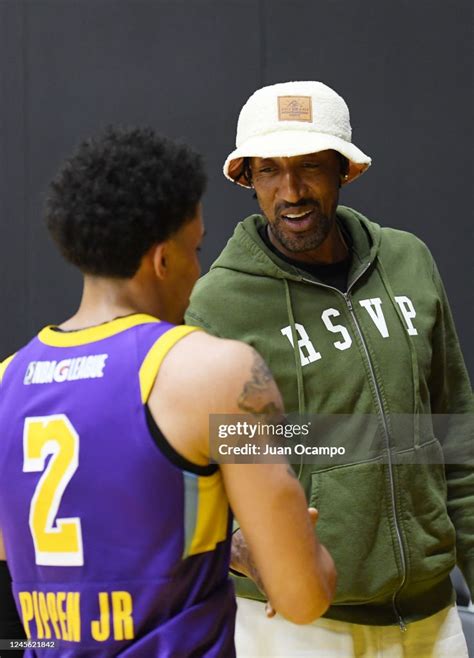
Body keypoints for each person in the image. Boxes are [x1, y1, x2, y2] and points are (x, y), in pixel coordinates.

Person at [0, 126, 337, 657]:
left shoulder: (8, 380)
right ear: (163, 260)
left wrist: (230, 546)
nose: (199, 268)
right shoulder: (214, 371)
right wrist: (293, 549)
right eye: (195, 248)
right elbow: (303, 597)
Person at [185, 81, 473, 657]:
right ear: (247, 179)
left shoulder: (408, 260)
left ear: (345, 170)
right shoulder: (217, 304)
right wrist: (239, 547)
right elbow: (191, 468)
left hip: (431, 614)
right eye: (269, 171)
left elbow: (456, 436)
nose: (291, 192)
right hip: (297, 625)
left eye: (311, 167)